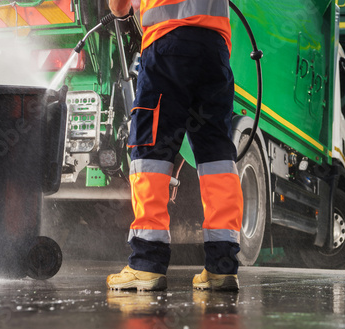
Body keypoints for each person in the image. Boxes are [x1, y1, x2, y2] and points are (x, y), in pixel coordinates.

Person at [106, 0, 244, 291]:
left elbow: (119, 7)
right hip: (214, 51)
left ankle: (146, 263)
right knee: (216, 155)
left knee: (151, 152)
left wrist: (124, 10)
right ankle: (222, 267)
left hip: (167, 47)